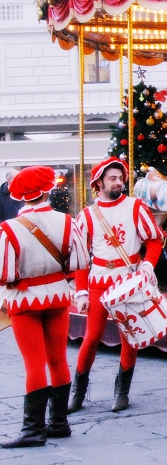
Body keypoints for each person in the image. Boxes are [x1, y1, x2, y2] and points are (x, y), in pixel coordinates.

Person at [0, 167, 87, 448]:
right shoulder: (66, 222)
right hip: (58, 297)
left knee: (33, 363)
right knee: (58, 359)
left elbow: (5, 274)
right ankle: (59, 423)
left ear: (20, 196)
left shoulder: (9, 229)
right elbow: (80, 262)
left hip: (24, 301)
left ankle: (33, 430)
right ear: (47, 189)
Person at [68, 158, 163, 414]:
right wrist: (81, 291)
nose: (119, 182)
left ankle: (122, 393)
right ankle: (77, 392)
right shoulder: (86, 215)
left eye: (120, 178)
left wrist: (147, 266)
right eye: (113, 178)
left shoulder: (135, 207)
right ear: (99, 182)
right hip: (98, 281)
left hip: (129, 281)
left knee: (129, 338)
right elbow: (80, 256)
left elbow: (154, 240)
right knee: (91, 338)